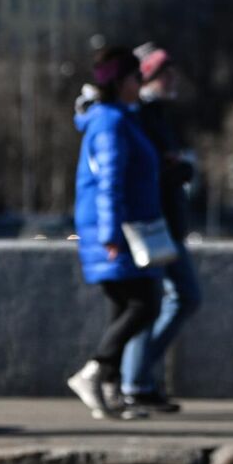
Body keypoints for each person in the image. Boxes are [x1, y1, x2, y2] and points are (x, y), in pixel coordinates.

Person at [64, 45, 164, 421]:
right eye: (138, 77)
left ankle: (110, 389)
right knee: (145, 303)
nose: (142, 83)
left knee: (125, 305)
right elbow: (109, 181)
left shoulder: (119, 117)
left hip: (122, 226)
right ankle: (93, 372)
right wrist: (110, 235)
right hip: (117, 230)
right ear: (122, 81)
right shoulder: (111, 122)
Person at [118, 43, 201, 413]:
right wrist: (177, 170)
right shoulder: (141, 116)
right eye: (165, 73)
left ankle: (138, 379)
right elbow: (144, 169)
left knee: (163, 300)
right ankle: (134, 379)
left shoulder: (155, 115)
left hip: (165, 222)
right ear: (148, 77)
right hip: (154, 223)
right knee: (170, 299)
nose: (173, 80)